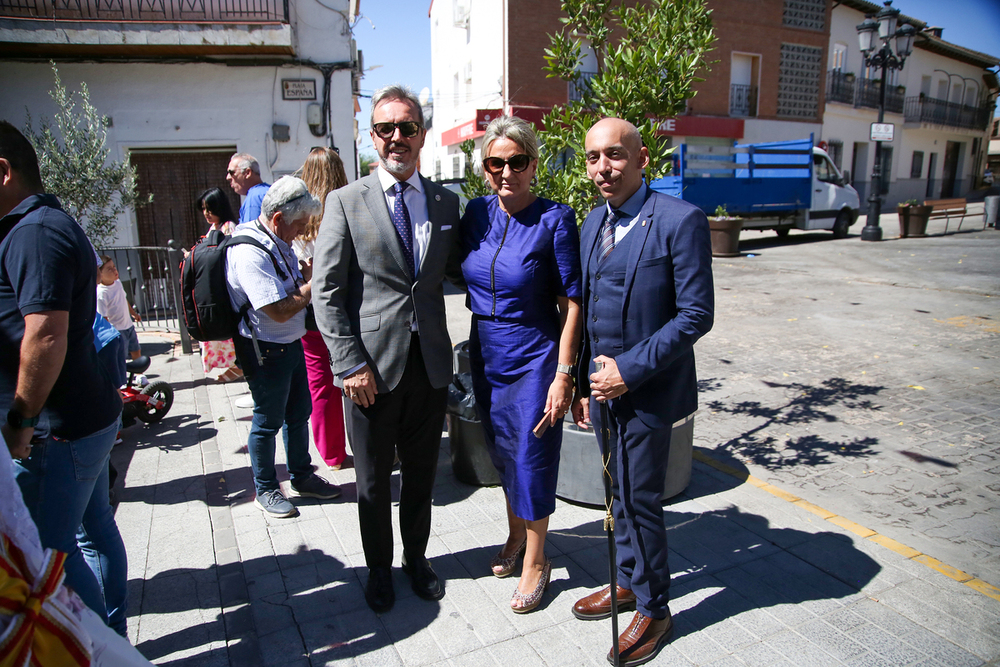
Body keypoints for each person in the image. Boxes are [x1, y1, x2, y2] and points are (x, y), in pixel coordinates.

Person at [313, 84, 463, 614]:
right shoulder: (345, 202)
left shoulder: (447, 202)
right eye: (385, 128)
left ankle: (415, 561)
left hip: (429, 368)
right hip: (369, 372)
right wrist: (348, 362)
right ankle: (378, 569)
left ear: (422, 132)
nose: (397, 137)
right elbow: (327, 292)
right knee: (373, 483)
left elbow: (459, 269)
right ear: (372, 136)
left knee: (422, 476)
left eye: (407, 126)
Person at [570, 118, 714, 666]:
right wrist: (585, 380)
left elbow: (697, 314)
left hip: (651, 391)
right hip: (604, 394)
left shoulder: (681, 221)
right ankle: (629, 580)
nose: (602, 168)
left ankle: (656, 610)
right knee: (617, 494)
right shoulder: (591, 224)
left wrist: (630, 369)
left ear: (641, 158)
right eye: (591, 158)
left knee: (641, 500)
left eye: (614, 155)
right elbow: (588, 310)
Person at [0, 120, 129, 636]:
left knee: (52, 556)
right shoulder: (41, 224)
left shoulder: (33, 232)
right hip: (78, 421)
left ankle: (100, 648)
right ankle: (114, 636)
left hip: (57, 431)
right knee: (94, 528)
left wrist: (21, 421)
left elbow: (45, 335)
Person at [459, 116, 581, 613]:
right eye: (496, 163)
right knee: (502, 452)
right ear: (485, 169)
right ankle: (514, 539)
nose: (506, 172)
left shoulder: (556, 218)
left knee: (531, 458)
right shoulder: (476, 213)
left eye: (516, 162)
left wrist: (564, 374)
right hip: (485, 350)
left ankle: (536, 560)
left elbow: (572, 302)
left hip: (534, 353)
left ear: (533, 164)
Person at [225, 176, 342, 518]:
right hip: (266, 350)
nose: (301, 233)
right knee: (267, 421)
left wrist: (302, 276)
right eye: (299, 225)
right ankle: (265, 489)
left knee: (297, 415)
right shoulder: (249, 252)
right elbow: (276, 311)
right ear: (278, 219)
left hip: (288, 345)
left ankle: (302, 477)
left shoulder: (275, 239)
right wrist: (313, 282)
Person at [294, 147, 349, 469]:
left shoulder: (302, 217)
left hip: (313, 308)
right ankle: (371, 444)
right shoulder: (350, 204)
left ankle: (332, 454)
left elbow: (302, 270)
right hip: (350, 305)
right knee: (360, 373)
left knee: (320, 382)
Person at [195, 187, 243, 383]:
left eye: (210, 208)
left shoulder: (228, 227)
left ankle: (238, 366)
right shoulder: (214, 228)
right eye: (204, 209)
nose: (206, 213)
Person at [96, 256, 142, 361]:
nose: (114, 270)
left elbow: (123, 299)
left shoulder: (117, 283)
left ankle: (140, 375)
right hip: (117, 330)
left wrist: (133, 314)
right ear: (100, 274)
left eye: (114, 267)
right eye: (109, 269)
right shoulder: (101, 293)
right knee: (121, 356)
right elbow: (104, 317)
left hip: (128, 326)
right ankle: (122, 377)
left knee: (136, 350)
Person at [226, 152, 270, 224]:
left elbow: (250, 234)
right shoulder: (269, 191)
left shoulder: (254, 197)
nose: (228, 177)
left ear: (247, 173)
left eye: (231, 172)